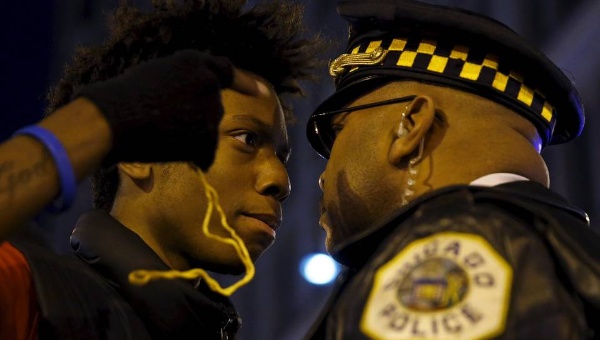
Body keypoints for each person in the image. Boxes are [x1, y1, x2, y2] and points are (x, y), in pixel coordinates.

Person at [0, 0, 319, 338]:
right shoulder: (34, 297)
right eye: (247, 139)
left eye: (281, 157)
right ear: (139, 153)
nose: (280, 180)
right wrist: (98, 120)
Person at [304, 0, 600, 339]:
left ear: (411, 126)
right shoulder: (561, 250)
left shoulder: (453, 249)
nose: (323, 175)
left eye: (338, 131)